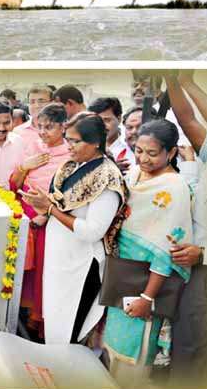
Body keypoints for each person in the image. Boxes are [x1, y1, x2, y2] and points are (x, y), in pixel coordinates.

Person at [20, 113, 127, 346]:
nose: (69, 146)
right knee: (55, 322)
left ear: (97, 141)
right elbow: (62, 203)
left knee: (69, 330)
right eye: (67, 139)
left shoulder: (107, 177)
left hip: (82, 264)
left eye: (75, 141)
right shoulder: (71, 165)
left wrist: (50, 210)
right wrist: (42, 205)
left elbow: (92, 232)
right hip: (60, 260)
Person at [101, 119, 193, 389]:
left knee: (135, 363)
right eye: (139, 151)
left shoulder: (175, 187)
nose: (143, 158)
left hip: (147, 284)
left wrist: (146, 297)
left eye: (152, 153)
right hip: (121, 277)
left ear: (171, 153)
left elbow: (167, 249)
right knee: (112, 354)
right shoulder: (133, 176)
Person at [165, 70, 207, 389]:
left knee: (197, 347)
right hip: (191, 265)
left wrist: (203, 254)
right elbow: (187, 118)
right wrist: (175, 81)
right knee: (183, 342)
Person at [10, 103, 71, 340]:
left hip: (50, 223)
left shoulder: (70, 153)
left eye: (49, 127)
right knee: (23, 275)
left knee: (44, 275)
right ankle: (21, 321)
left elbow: (68, 194)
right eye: (40, 126)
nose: (43, 132)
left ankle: (43, 330)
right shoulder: (32, 146)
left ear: (63, 127)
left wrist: (45, 215)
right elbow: (14, 184)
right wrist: (25, 166)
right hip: (25, 217)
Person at [88, 97, 135, 174]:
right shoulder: (87, 148)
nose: (102, 126)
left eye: (107, 120)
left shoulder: (131, 149)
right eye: (97, 121)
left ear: (119, 119)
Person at [15, 84, 53, 150]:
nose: (36, 106)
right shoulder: (18, 132)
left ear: (52, 103)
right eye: (32, 102)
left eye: (41, 101)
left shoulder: (62, 130)